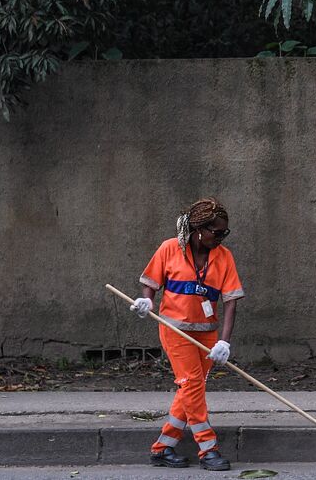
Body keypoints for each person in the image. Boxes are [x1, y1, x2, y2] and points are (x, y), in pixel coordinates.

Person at [131, 197, 244, 471]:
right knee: (192, 384)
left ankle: (162, 447)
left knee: (190, 389)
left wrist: (224, 342)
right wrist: (147, 300)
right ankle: (208, 449)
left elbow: (231, 303)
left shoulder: (224, 256)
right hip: (174, 330)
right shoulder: (169, 249)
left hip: (207, 334)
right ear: (198, 230)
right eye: (217, 232)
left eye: (224, 233)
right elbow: (151, 282)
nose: (221, 238)